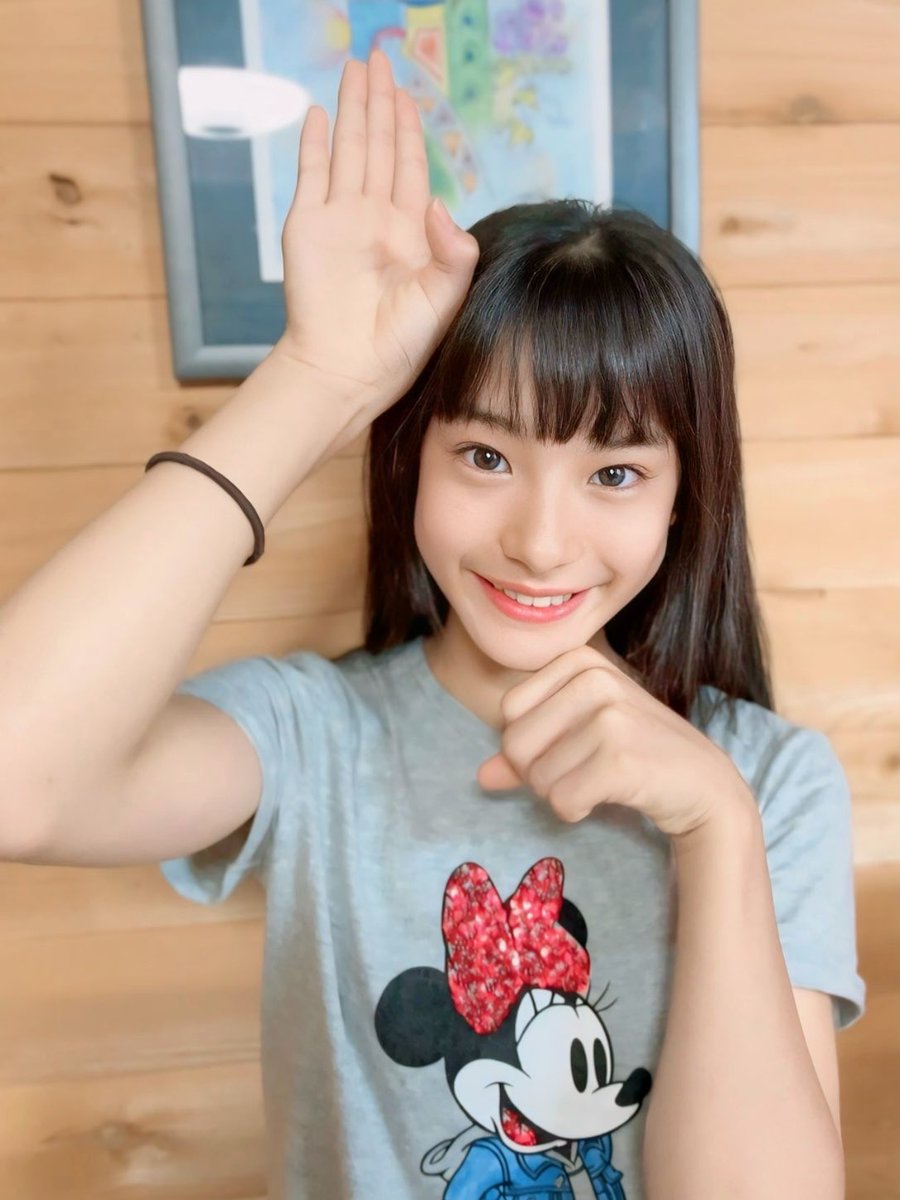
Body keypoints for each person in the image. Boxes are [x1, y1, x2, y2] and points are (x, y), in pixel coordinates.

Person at [0, 47, 864, 1200]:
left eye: (614, 474)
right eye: (486, 456)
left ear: (683, 500)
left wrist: (716, 826)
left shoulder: (765, 780)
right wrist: (314, 376)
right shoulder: (313, 737)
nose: (541, 542)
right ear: (412, 460)